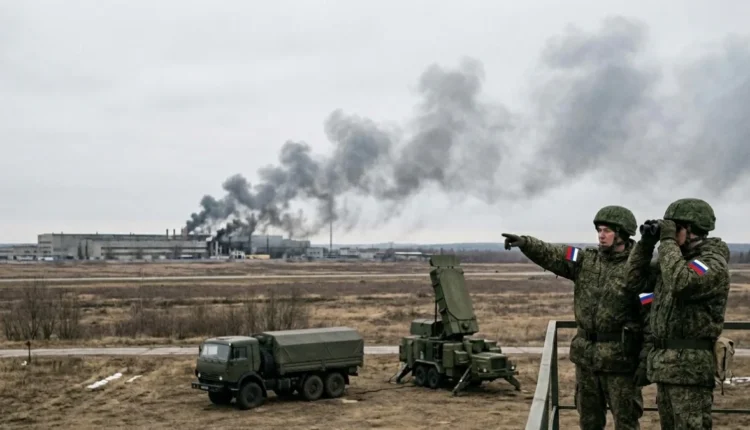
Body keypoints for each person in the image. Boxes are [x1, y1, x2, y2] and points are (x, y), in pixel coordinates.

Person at [503, 205, 644, 430]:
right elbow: (556, 253)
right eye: (599, 230)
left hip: (620, 360)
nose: (601, 235)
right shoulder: (586, 259)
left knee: (626, 421)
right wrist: (526, 243)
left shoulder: (639, 267)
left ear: (622, 234)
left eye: (607, 231)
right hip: (587, 359)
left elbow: (650, 308)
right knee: (588, 421)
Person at [627, 198, 730, 429]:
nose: (671, 234)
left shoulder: (710, 262)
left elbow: (682, 283)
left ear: (692, 230)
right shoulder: (674, 262)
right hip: (667, 368)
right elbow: (633, 281)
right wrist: (645, 244)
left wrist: (666, 242)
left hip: (691, 372)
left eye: (676, 228)